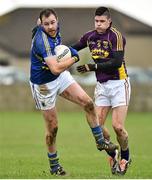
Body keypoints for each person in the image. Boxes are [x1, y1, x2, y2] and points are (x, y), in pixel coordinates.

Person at [29, 8, 118, 176]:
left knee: (88, 103)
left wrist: (40, 22)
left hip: (61, 77)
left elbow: (39, 22)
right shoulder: (43, 41)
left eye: (53, 22)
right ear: (42, 25)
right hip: (43, 85)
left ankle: (100, 142)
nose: (51, 27)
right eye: (46, 24)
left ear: (57, 20)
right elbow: (55, 68)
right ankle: (55, 167)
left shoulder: (52, 27)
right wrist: (74, 57)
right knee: (53, 129)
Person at [72, 7, 131, 175]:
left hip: (119, 84)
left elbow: (117, 62)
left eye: (102, 21)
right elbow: (74, 48)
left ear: (109, 22)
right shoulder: (89, 36)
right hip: (102, 86)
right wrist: (58, 52)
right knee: (97, 126)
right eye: (96, 21)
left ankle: (125, 157)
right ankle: (113, 152)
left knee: (118, 127)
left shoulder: (116, 37)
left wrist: (92, 66)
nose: (98, 24)